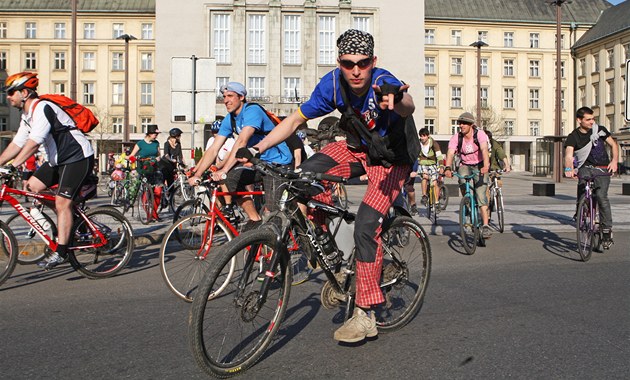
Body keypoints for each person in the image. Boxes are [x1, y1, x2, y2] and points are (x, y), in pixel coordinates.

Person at [238, 29, 416, 343]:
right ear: (339, 62)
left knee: (365, 224)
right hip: (357, 150)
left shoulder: (383, 82)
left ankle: (365, 314)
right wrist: (256, 149)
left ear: (373, 61)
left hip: (392, 160)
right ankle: (337, 264)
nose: (357, 70)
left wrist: (399, 97)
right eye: (349, 63)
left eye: (363, 63)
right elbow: (293, 121)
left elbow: (407, 107)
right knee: (303, 179)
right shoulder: (332, 84)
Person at [0, 71, 95, 269]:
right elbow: (18, 143)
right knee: (32, 186)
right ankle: (72, 219)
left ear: (24, 92)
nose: (8, 97)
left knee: (61, 202)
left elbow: (34, 143)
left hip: (77, 157)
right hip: (57, 161)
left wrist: (13, 165)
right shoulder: (27, 115)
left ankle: (61, 250)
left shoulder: (42, 107)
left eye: (11, 92)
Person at [189, 82, 292, 231]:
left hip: (278, 162)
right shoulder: (229, 119)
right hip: (259, 162)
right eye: (224, 96)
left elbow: (242, 141)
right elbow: (213, 149)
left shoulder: (252, 110)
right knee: (230, 180)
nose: (226, 100)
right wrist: (197, 174)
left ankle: (277, 246)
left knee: (272, 212)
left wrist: (223, 169)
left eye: (230, 96)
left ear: (241, 97)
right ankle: (254, 219)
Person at [564, 106, 618, 249]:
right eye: (588, 119)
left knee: (601, 196)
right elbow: (569, 155)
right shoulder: (573, 136)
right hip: (585, 168)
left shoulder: (600, 130)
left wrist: (614, 161)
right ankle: (581, 210)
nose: (591, 122)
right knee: (583, 191)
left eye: (593, 118)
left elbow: (613, 145)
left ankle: (606, 231)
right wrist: (569, 169)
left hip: (603, 167)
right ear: (579, 120)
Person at [443, 112, 491, 238]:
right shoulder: (456, 138)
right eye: (460, 123)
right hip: (465, 165)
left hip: (480, 165)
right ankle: (468, 202)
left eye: (464, 123)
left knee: (481, 195)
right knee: (463, 182)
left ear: (471, 124)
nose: (461, 125)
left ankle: (485, 225)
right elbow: (450, 153)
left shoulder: (479, 134)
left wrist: (486, 166)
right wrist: (447, 167)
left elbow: (484, 150)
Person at [129, 124, 163, 221]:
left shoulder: (156, 143)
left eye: (157, 134)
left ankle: (154, 213)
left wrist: (158, 158)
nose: (156, 136)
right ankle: (150, 214)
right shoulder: (140, 144)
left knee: (158, 191)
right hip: (143, 169)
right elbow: (131, 155)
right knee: (146, 192)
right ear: (149, 134)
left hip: (154, 169)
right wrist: (132, 158)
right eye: (155, 134)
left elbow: (159, 155)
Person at [415, 128, 444, 212]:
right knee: (425, 177)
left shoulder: (434, 144)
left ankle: (437, 202)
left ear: (428, 136)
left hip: (432, 163)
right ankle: (424, 196)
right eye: (421, 136)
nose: (422, 138)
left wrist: (441, 166)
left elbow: (439, 155)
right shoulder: (418, 144)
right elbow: (416, 154)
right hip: (423, 163)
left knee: (435, 182)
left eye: (424, 136)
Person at [160, 127, 185, 203]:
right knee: (163, 182)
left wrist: (184, 165)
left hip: (172, 166)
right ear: (176, 136)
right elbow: (166, 154)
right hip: (164, 164)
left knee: (171, 184)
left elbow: (180, 156)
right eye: (179, 135)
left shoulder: (178, 144)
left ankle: (171, 203)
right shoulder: (166, 144)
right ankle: (161, 198)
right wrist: (171, 160)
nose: (180, 137)